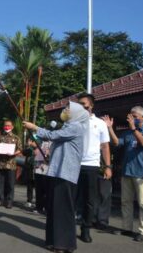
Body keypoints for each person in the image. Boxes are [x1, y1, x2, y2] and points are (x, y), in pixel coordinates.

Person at [23, 101, 89, 253]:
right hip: (57, 172)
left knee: (63, 210)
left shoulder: (76, 127)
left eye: (68, 109)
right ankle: (53, 241)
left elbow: (52, 135)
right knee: (54, 208)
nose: (65, 110)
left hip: (66, 174)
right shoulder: (68, 126)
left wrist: (35, 128)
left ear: (76, 113)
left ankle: (64, 244)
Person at [102, 106, 143, 242]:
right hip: (127, 172)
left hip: (142, 173)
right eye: (130, 116)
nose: (132, 119)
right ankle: (127, 228)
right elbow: (116, 142)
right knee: (125, 201)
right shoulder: (127, 133)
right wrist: (109, 128)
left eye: (135, 117)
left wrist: (134, 129)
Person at [76, 93, 112, 243]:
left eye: (83, 104)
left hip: (91, 165)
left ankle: (85, 229)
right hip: (74, 165)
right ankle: (67, 227)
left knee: (90, 200)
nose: (81, 107)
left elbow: (105, 146)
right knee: (73, 197)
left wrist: (108, 166)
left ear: (91, 105)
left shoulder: (100, 123)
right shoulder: (74, 122)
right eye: (79, 104)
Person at [0, 120, 22, 209]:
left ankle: (9, 201)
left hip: (11, 164)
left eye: (9, 126)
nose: (7, 127)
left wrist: (13, 153)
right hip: (1, 164)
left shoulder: (16, 138)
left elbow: (20, 149)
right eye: (5, 125)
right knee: (0, 183)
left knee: (10, 184)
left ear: (12, 127)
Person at [31, 138, 51, 214]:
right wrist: (34, 152)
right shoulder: (39, 142)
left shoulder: (53, 143)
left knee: (47, 190)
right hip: (38, 168)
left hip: (47, 169)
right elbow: (35, 153)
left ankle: (47, 207)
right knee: (38, 189)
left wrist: (49, 153)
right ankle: (38, 207)